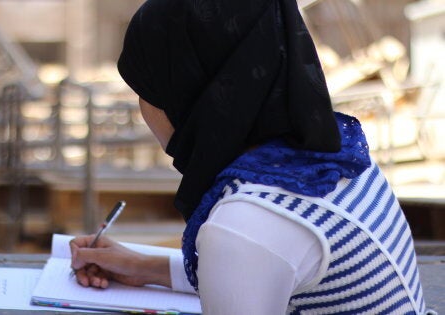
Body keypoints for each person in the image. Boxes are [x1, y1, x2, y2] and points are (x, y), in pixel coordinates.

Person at [70, 0, 431, 314]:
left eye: (144, 88)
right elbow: (277, 265)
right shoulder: (331, 156)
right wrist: (144, 267)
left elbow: (255, 250)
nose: (142, 108)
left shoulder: (246, 222)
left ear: (185, 92)